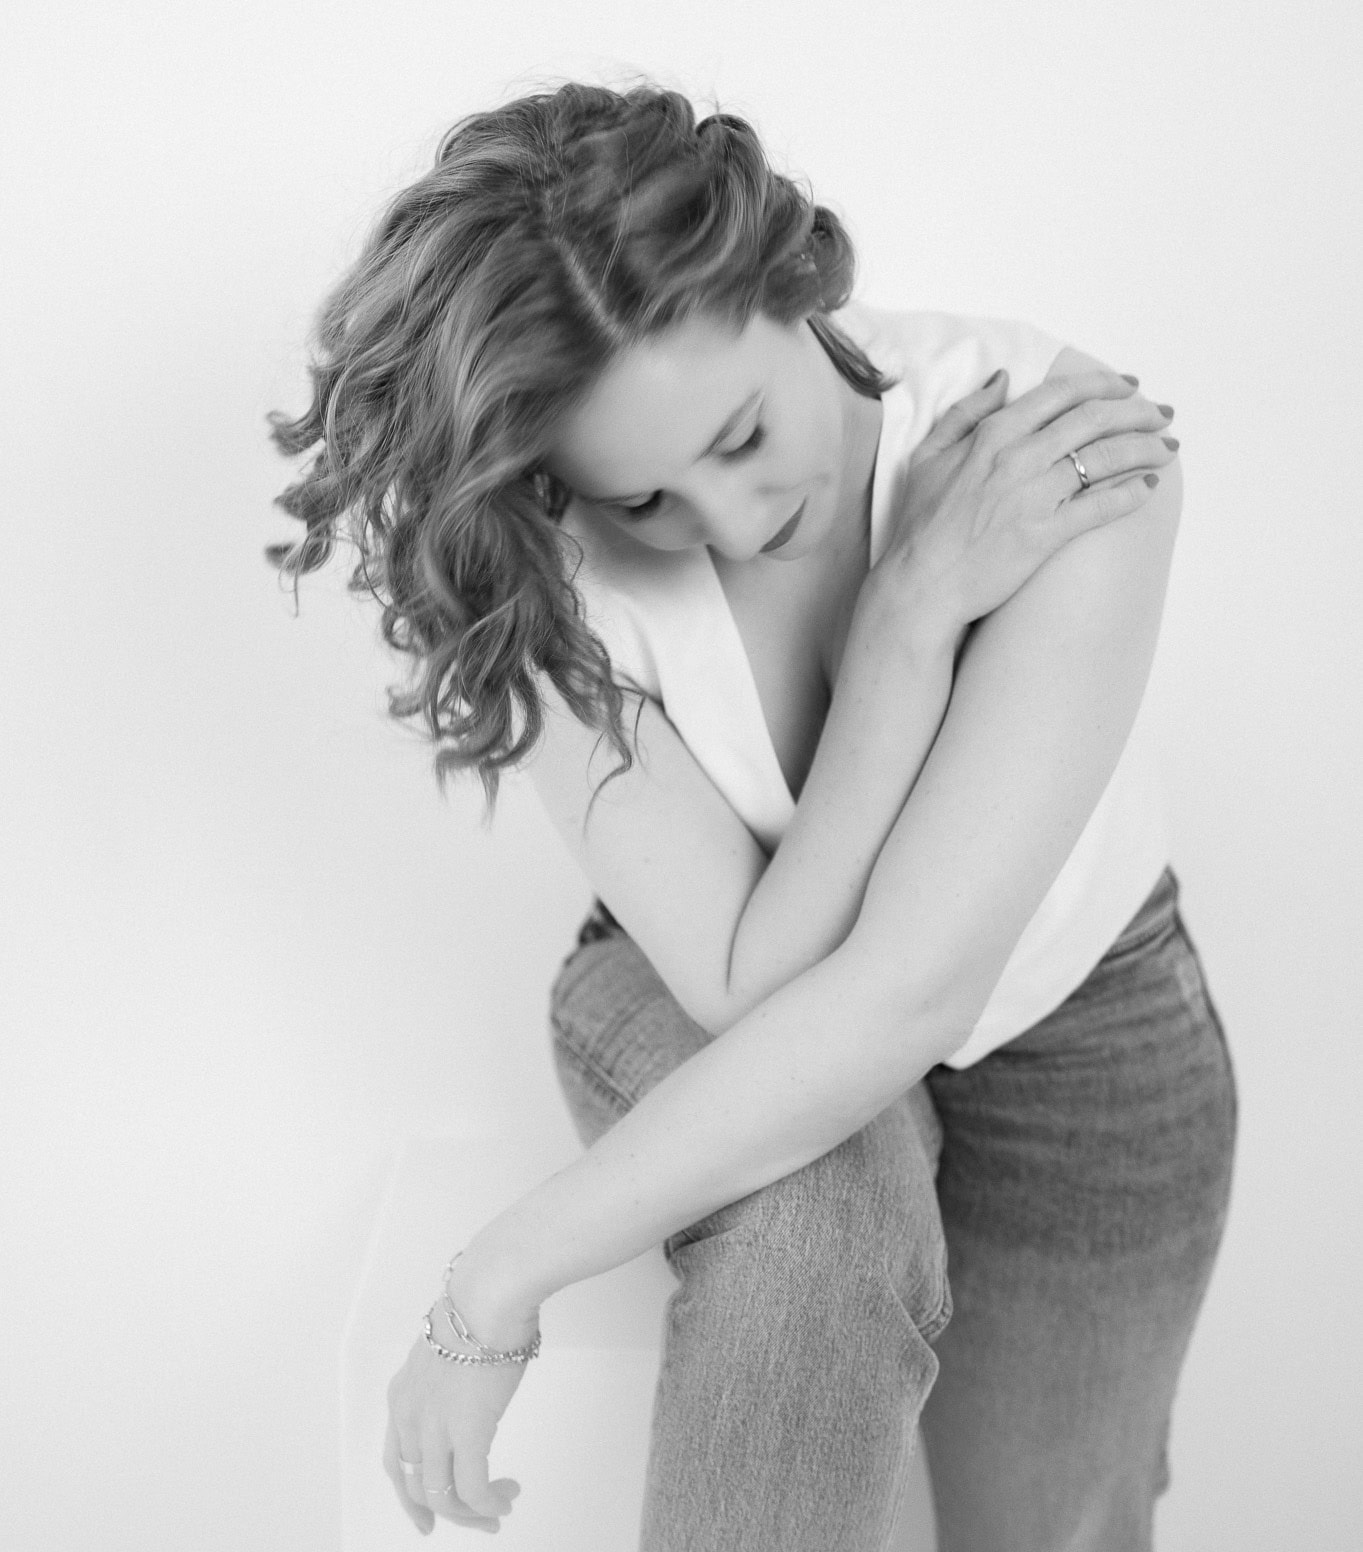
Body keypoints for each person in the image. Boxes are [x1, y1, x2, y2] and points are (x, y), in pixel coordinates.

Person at [267, 82, 1235, 1551]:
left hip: (1084, 1028)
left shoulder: (1048, 441)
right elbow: (742, 986)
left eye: (739, 435)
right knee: (818, 1218)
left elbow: (913, 989)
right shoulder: (535, 566)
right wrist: (905, 626)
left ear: (792, 278)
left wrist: (504, 1268)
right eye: (643, 500)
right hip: (676, 976)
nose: (724, 524)